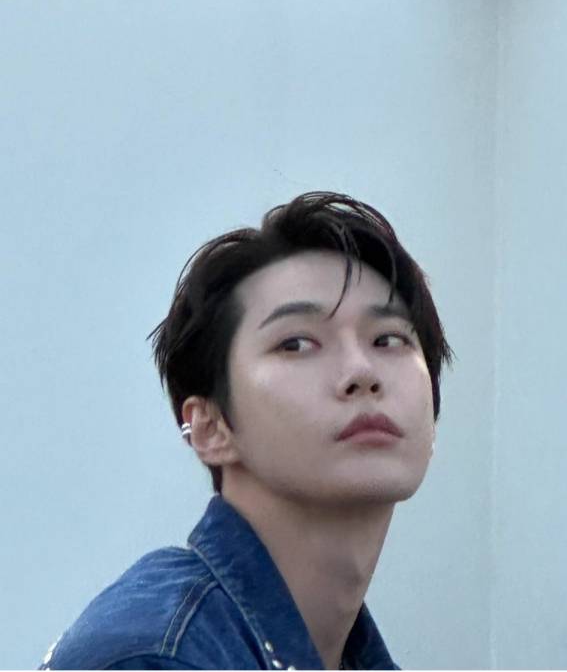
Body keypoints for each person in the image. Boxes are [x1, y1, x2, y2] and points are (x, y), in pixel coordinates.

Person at [39, 191, 453, 670]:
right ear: (209, 427)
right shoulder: (158, 655)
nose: (362, 372)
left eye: (388, 339)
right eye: (296, 344)